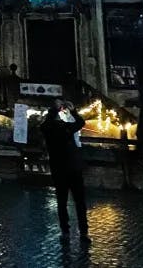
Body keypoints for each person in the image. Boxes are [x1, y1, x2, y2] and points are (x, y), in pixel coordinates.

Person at [41, 98, 89, 246]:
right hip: (70, 169)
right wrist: (72, 110)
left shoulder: (52, 127)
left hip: (62, 169)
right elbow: (80, 122)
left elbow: (44, 126)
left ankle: (67, 231)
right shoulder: (64, 127)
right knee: (77, 202)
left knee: (64, 202)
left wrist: (56, 110)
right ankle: (82, 231)